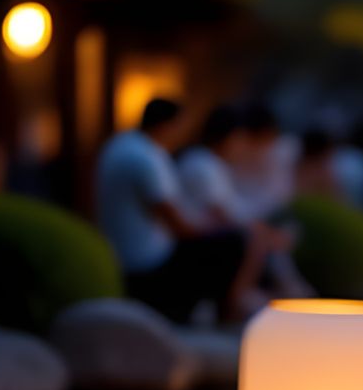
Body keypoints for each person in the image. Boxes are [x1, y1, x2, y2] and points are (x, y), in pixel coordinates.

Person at [94, 99, 256, 322]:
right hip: (147, 265)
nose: (182, 135)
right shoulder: (145, 158)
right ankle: (221, 315)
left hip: (117, 257)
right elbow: (179, 226)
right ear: (165, 126)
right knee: (233, 242)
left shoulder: (119, 145)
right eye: (180, 127)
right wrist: (214, 226)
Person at [179, 104, 250, 227]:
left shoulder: (211, 162)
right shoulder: (201, 164)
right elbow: (222, 214)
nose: (242, 148)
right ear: (227, 137)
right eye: (240, 140)